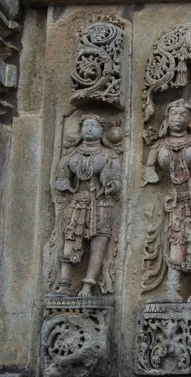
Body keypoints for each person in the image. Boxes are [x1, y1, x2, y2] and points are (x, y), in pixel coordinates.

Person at [142, 99, 191, 303]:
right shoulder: (159, 145)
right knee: (175, 236)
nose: (178, 119)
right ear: (167, 119)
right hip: (173, 198)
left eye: (183, 115)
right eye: (174, 115)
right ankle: (172, 288)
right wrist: (149, 171)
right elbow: (149, 170)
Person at [52, 114, 122, 297]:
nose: (89, 129)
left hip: (101, 202)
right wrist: (64, 183)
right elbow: (61, 179)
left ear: (103, 131)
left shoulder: (109, 155)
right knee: (70, 238)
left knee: (99, 241)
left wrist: (111, 185)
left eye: (94, 126)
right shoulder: (71, 155)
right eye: (85, 125)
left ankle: (88, 286)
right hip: (77, 200)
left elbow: (116, 181)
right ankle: (64, 284)